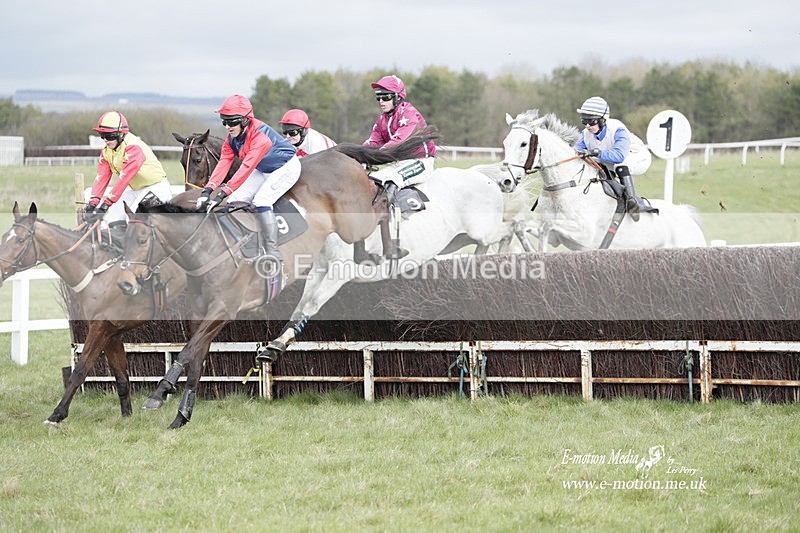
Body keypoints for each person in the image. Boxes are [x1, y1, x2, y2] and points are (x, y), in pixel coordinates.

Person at [196, 94, 300, 276]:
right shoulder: (232, 138)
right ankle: (248, 241)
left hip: (286, 167)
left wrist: (221, 193)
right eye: (224, 122)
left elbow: (245, 168)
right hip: (263, 167)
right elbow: (224, 163)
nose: (227, 127)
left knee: (261, 200)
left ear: (245, 120)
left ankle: (272, 250)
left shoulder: (260, 137)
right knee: (234, 200)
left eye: (231, 122)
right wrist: (207, 190)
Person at [84, 111, 172, 235]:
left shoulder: (134, 148)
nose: (105, 140)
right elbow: (101, 178)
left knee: (132, 219)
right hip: (137, 190)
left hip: (156, 188)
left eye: (109, 136)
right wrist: (92, 204)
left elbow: (124, 180)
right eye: (102, 135)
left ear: (121, 134)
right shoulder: (106, 151)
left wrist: (104, 206)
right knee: (114, 216)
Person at [575, 96, 656, 221]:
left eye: (591, 121)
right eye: (584, 121)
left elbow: (619, 156)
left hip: (638, 157)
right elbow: (577, 152)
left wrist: (596, 153)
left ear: (603, 120)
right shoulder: (585, 133)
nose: (587, 126)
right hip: (612, 160)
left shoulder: (618, 129)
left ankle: (632, 201)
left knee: (620, 166)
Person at [364, 74, 436, 205]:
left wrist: (373, 156)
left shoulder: (409, 113)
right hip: (400, 164)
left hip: (421, 162)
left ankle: (394, 214)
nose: (381, 101)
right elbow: (372, 143)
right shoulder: (383, 119)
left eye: (386, 97)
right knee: (371, 180)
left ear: (398, 97)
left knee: (391, 180)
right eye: (378, 97)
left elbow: (397, 142)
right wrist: (359, 157)